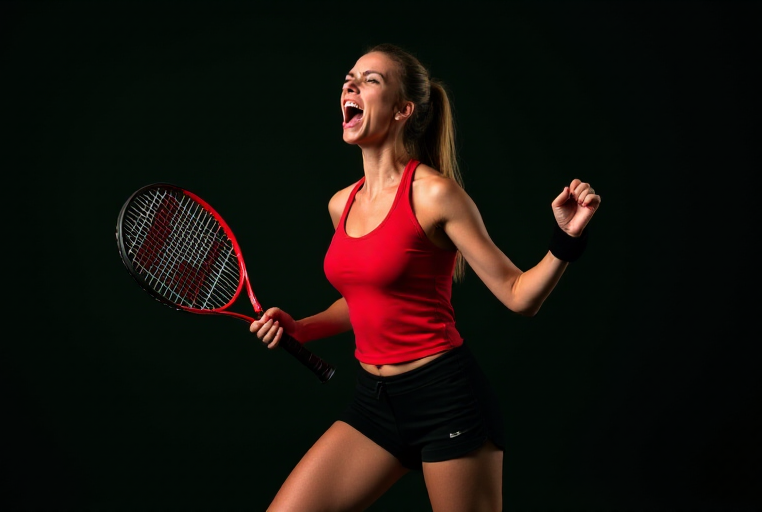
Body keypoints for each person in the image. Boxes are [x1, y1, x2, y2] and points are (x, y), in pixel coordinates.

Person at [249, 43, 601, 512]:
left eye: (370, 80)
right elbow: (363, 301)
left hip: (445, 399)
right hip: (375, 403)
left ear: (402, 110)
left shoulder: (436, 195)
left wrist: (566, 239)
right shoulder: (341, 204)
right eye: (349, 77)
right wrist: (301, 327)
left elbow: (520, 296)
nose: (350, 85)